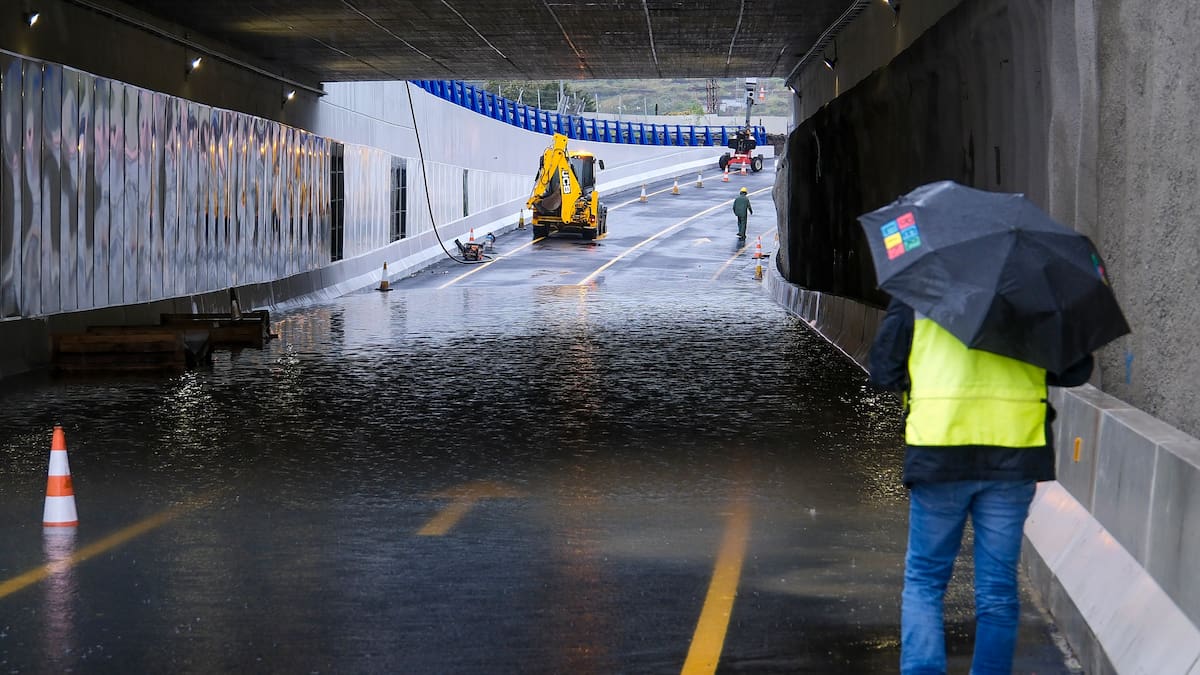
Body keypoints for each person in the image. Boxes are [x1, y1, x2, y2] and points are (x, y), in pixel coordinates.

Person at [868, 298, 1093, 675]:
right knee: (997, 592)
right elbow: (1075, 369)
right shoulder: (1032, 294)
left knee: (924, 581)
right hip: (1013, 453)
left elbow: (883, 370)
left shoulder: (919, 292)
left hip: (939, 451)